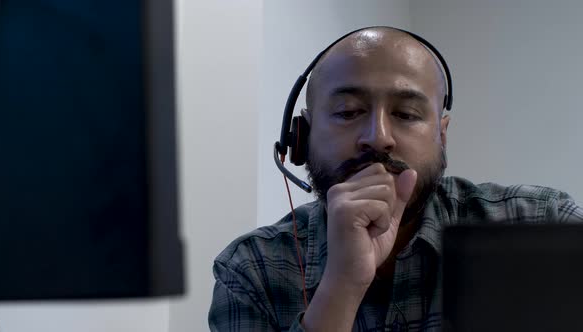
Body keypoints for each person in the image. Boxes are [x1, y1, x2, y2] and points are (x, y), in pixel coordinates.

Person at [208, 27, 583, 331]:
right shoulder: (252, 269)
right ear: (301, 137)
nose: (379, 136)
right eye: (349, 111)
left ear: (442, 135)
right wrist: (341, 286)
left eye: (405, 114)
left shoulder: (541, 223)